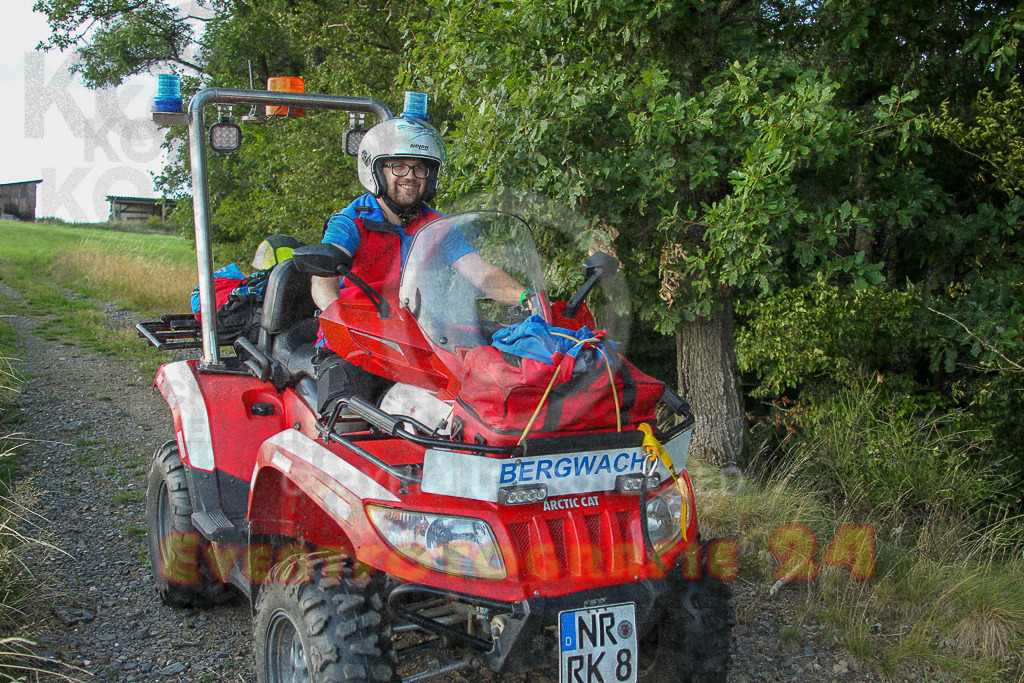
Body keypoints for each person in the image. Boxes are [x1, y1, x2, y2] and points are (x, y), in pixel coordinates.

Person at [310, 114, 527, 412]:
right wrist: (336, 313)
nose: (410, 176)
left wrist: (527, 298)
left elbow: (481, 271)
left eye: (420, 168)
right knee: (347, 422)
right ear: (375, 169)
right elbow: (324, 274)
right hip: (355, 344)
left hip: (417, 343)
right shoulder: (351, 221)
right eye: (398, 166)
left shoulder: (437, 225)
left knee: (476, 411)